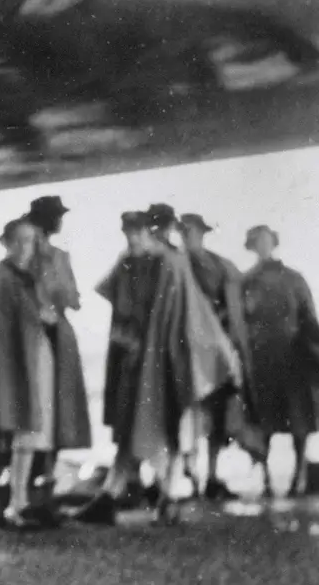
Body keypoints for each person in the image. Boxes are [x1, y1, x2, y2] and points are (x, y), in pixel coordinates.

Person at [78, 211, 240, 526]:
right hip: (143, 360)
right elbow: (125, 307)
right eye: (128, 234)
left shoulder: (170, 263)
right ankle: (124, 494)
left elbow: (184, 315)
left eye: (138, 233)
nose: (132, 240)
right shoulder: (135, 262)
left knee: (166, 423)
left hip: (165, 360)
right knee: (137, 425)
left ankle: (160, 495)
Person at [0, 218, 90, 530]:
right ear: (8, 244)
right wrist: (41, 318)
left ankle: (20, 501)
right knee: (25, 433)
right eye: (20, 241)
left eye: (30, 241)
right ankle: (16, 503)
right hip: (21, 367)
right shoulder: (7, 277)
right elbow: (5, 326)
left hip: (34, 363)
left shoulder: (24, 276)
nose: (25, 248)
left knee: (32, 433)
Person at [180, 213, 266, 500]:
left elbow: (239, 305)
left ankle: (212, 477)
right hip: (187, 351)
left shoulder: (221, 265)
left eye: (194, 232)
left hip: (218, 353)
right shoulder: (177, 264)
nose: (189, 237)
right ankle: (191, 477)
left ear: (203, 234)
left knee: (218, 416)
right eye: (185, 232)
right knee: (188, 417)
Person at [18, 196, 92, 509]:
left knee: (53, 411)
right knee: (48, 411)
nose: (61, 221)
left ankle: (37, 485)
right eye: (58, 216)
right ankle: (39, 483)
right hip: (50, 333)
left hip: (54, 334)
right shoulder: (47, 256)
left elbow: (72, 299)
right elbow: (72, 299)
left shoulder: (46, 255)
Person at [241, 225, 319, 497]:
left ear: (274, 243)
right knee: (263, 422)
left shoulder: (294, 279)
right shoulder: (246, 282)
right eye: (257, 242)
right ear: (251, 247)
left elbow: (309, 316)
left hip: (292, 357)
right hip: (260, 360)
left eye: (266, 241)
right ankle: (265, 479)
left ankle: (299, 476)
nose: (263, 246)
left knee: (299, 421)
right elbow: (237, 320)